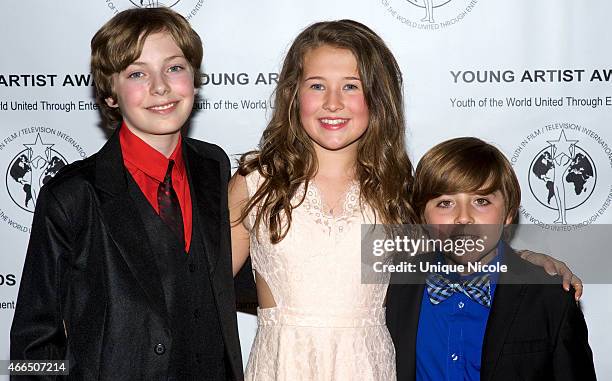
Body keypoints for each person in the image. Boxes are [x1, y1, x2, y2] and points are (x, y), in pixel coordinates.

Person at [229, 20, 581, 381]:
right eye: (317, 85)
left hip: (368, 366)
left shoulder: (396, 190)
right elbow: (202, 281)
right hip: (281, 366)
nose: (333, 102)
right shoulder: (256, 183)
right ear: (292, 94)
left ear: (377, 98)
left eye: (351, 86)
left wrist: (528, 259)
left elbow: (456, 245)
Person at [11, 8, 243, 380]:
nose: (160, 87)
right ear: (110, 96)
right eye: (137, 73)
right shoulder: (71, 195)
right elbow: (31, 344)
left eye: (174, 67)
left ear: (194, 81)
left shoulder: (213, 166)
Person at [386, 137, 596, 381]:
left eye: (481, 201)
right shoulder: (395, 283)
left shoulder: (550, 297)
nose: (463, 218)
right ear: (422, 216)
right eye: (445, 203)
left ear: (508, 213)